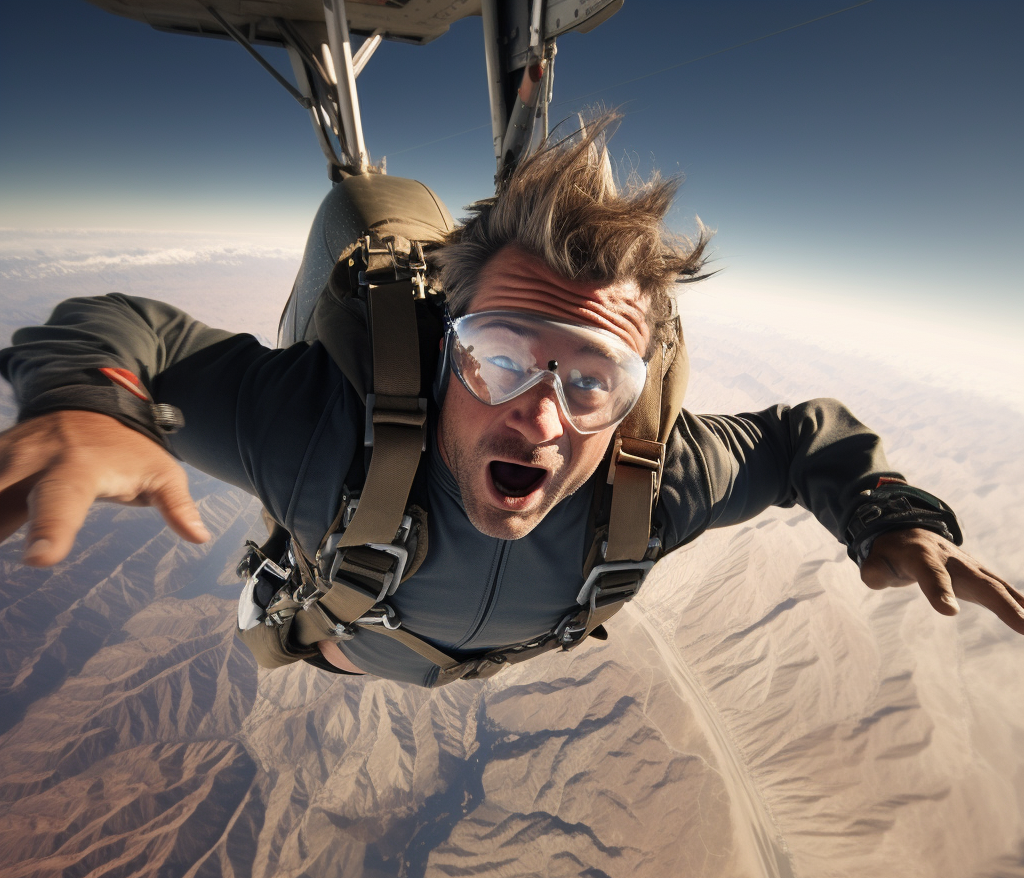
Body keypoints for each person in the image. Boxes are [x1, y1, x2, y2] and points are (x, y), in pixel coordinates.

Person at [1, 120, 1021, 687]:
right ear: (444, 353)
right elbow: (130, 326)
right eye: (497, 358)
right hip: (341, 646)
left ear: (631, 400)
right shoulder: (318, 437)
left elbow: (806, 438)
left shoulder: (653, 482)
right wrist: (90, 404)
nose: (537, 416)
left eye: (590, 381)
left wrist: (883, 509)